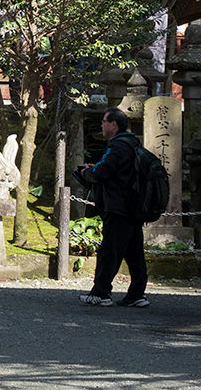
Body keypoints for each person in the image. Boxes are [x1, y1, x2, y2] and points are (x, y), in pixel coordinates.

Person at [78, 107, 150, 307]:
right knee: (134, 252)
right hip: (134, 207)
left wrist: (86, 172)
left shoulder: (117, 146)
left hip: (118, 207)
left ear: (114, 124)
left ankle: (101, 293)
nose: (101, 125)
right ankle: (137, 294)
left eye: (104, 121)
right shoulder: (134, 144)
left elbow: (102, 172)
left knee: (109, 250)